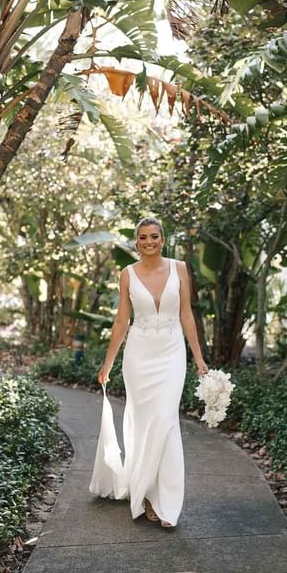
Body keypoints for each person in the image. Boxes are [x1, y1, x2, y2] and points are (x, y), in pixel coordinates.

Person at [91, 216, 208, 529]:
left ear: (163, 239)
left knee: (166, 421)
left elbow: (186, 315)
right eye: (142, 238)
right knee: (144, 425)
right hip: (139, 356)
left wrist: (198, 357)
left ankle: (165, 502)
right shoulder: (127, 274)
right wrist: (108, 362)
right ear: (136, 241)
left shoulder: (180, 268)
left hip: (171, 353)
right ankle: (145, 494)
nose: (149, 243)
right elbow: (121, 322)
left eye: (154, 237)